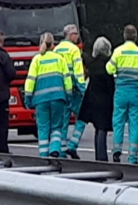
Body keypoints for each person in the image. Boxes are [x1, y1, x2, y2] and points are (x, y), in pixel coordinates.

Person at [24, 32, 72, 158]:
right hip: (58, 98)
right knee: (57, 126)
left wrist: (28, 98)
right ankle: (55, 149)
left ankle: (43, 155)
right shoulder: (60, 59)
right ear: (53, 44)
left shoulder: (37, 60)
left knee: (43, 128)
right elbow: (67, 79)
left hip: (41, 100)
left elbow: (30, 80)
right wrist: (69, 96)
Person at [68, 37, 115, 161]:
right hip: (105, 100)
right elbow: (111, 85)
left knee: (96, 127)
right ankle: (102, 156)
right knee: (102, 128)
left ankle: (98, 155)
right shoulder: (108, 64)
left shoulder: (91, 64)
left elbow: (85, 56)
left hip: (92, 99)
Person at [106, 25, 138, 164]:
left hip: (121, 91)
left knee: (118, 122)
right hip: (134, 91)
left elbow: (109, 68)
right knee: (134, 124)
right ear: (136, 37)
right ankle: (133, 156)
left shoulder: (118, 52)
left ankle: (117, 151)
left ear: (124, 36)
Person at [55, 24, 87, 158]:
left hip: (60, 89)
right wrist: (83, 89)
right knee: (83, 116)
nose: (78, 37)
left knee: (63, 121)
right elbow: (79, 73)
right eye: (76, 34)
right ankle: (73, 145)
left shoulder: (56, 49)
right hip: (74, 90)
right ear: (71, 35)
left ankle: (62, 151)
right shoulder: (74, 50)